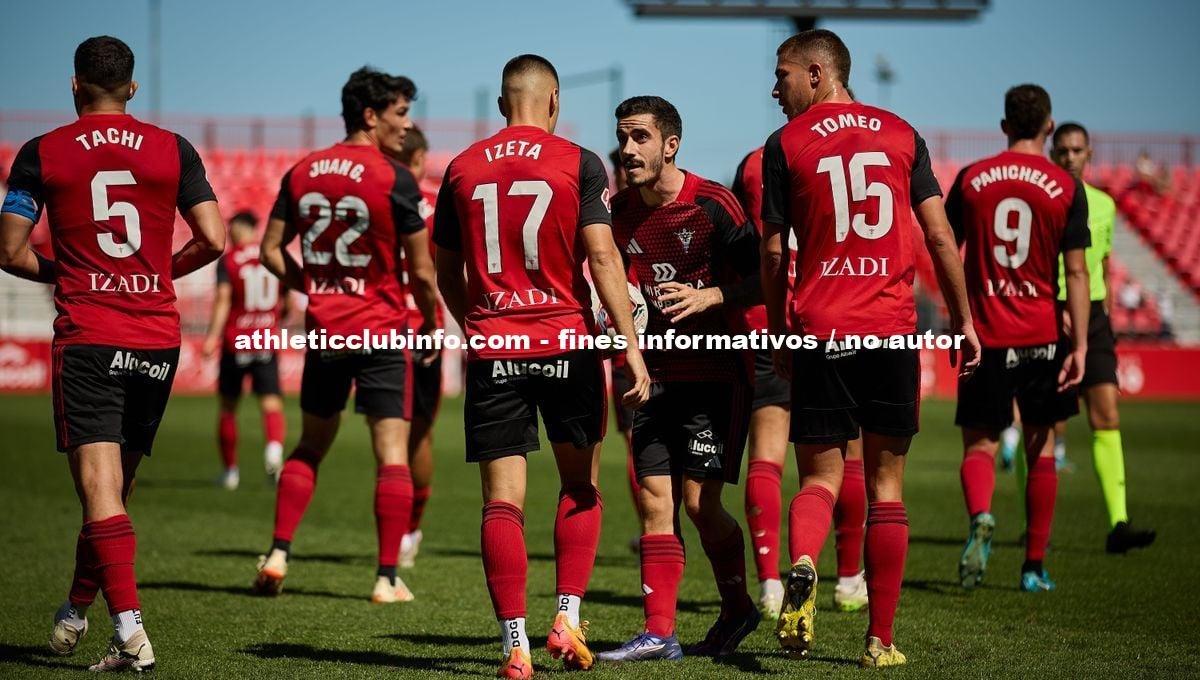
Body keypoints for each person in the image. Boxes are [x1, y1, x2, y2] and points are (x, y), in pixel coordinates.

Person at [0, 36, 224, 671]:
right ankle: (76, 609)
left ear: (74, 85)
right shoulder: (173, 148)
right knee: (114, 493)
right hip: (156, 337)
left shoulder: (41, 151)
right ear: (131, 88)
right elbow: (212, 239)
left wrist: (67, 273)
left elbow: (9, 250)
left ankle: (131, 633)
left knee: (99, 490)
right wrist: (151, 274)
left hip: (91, 334)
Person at [761, 29, 980, 667]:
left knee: (819, 479)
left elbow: (773, 252)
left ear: (817, 72)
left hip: (821, 329)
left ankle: (805, 562)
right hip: (889, 331)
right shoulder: (902, 133)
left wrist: (778, 327)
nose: (774, 89)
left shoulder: (785, 144)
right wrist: (964, 320)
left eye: (782, 75)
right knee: (887, 487)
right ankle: (880, 641)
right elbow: (939, 237)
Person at [433, 54, 650, 678]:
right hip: (568, 345)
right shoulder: (579, 161)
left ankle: (515, 646)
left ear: (504, 104)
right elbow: (602, 259)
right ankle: (566, 618)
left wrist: (479, 323)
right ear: (554, 101)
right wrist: (630, 345)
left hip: (495, 348)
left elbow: (446, 271)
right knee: (579, 486)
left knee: (502, 503)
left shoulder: (462, 167)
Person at [253, 66, 439, 606]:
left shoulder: (302, 170)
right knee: (392, 455)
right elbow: (422, 273)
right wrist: (430, 322)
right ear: (371, 115)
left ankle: (278, 553)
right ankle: (386, 578)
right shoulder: (395, 178)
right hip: (382, 330)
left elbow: (269, 251)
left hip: (327, 331)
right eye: (401, 114)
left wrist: (315, 287)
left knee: (311, 444)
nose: (407, 126)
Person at [598, 95, 762, 663]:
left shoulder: (713, 204)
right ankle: (660, 632)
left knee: (699, 504)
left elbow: (768, 278)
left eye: (640, 137)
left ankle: (738, 608)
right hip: (652, 375)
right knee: (654, 501)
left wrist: (712, 295)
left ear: (671, 145)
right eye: (623, 136)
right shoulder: (617, 212)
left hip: (716, 374)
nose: (627, 148)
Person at [947, 84, 1090, 595]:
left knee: (981, 444)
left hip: (985, 334)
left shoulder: (971, 179)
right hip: (1042, 334)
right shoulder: (1066, 186)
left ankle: (981, 515)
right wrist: (1080, 346)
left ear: (1005, 126)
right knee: (1041, 446)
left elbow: (945, 249)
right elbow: (1077, 272)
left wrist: (958, 318)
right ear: (1049, 127)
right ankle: (1032, 567)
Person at [733, 144, 870, 617]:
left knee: (765, 453)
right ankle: (849, 579)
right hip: (830, 318)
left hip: (763, 321)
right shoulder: (846, 156)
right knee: (848, 451)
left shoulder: (754, 162)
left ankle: (770, 585)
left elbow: (746, 241)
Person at [1050, 122, 1156, 553]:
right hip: (1049, 311)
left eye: (1077, 150)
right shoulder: (1044, 199)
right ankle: (1032, 527)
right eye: (1063, 150)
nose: (1070, 157)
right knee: (1043, 427)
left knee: (1107, 416)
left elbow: (1104, 264)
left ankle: (1118, 523)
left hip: (1092, 316)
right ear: (1053, 154)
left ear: (1089, 154)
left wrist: (1104, 313)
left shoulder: (1105, 205)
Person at [201, 210, 288, 490]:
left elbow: (223, 300)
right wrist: (276, 321)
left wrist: (211, 337)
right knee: (271, 402)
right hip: (266, 340)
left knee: (228, 407)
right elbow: (288, 299)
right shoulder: (271, 254)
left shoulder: (229, 260)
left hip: (236, 340)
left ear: (241, 227)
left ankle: (230, 472)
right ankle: (273, 450)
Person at [390, 125, 441, 568]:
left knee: (388, 434)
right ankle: (409, 531)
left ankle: (390, 539)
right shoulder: (435, 206)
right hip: (424, 327)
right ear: (421, 158)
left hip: (380, 326)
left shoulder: (374, 196)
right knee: (420, 433)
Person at [606, 146, 643, 553]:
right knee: (639, 444)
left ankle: (656, 528)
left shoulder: (606, 221)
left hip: (643, 348)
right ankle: (654, 528)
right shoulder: (610, 218)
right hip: (630, 350)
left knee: (642, 444)